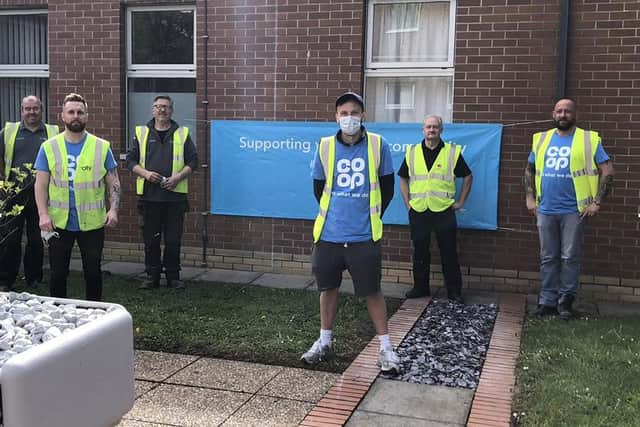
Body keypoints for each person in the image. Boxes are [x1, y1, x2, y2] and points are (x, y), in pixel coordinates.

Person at [301, 92, 400, 373]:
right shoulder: (325, 146)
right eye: (343, 113)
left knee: (372, 291)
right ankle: (324, 342)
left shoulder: (379, 145)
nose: (349, 118)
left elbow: (387, 189)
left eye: (354, 112)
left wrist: (367, 218)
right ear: (336, 117)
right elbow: (319, 189)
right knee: (327, 289)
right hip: (329, 235)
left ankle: (386, 349)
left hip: (363, 236)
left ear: (363, 116)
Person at [525, 97, 614, 320]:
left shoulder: (588, 139)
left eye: (567, 111)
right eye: (559, 111)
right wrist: (530, 198)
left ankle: (565, 301)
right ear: (553, 114)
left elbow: (608, 171)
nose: (563, 115)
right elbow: (529, 170)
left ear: (575, 115)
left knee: (569, 257)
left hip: (575, 210)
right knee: (548, 257)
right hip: (545, 208)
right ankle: (547, 301)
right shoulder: (541, 139)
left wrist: (597, 202)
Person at [34, 93, 120, 301]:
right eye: (71, 112)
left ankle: (94, 314)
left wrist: (114, 209)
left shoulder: (101, 147)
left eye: (80, 112)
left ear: (87, 116)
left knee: (93, 272)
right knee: (57, 273)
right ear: (62, 116)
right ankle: (57, 313)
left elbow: (114, 182)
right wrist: (43, 214)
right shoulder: (49, 147)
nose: (76, 116)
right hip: (58, 223)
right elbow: (41, 184)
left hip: (92, 224)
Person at [398, 115, 473, 303]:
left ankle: (454, 291)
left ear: (441, 130)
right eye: (428, 127)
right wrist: (408, 204)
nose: (431, 130)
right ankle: (420, 287)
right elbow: (403, 179)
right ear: (422, 130)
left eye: (435, 127)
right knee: (420, 250)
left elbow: (468, 176)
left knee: (449, 252)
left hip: (444, 211)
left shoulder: (452, 152)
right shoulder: (412, 152)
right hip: (419, 210)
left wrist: (460, 202)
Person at [126, 95, 198, 289]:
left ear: (172, 110)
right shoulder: (142, 133)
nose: (162, 110)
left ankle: (173, 277)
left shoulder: (182, 133)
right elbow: (130, 161)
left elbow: (193, 161)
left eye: (166, 107)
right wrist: (146, 174)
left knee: (173, 239)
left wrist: (177, 178)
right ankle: (152, 276)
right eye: (158, 107)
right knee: (151, 240)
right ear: (152, 110)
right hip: (150, 197)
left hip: (174, 197)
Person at [0, 95, 59, 291]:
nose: (31, 112)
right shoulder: (9, 132)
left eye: (35, 108)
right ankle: (6, 279)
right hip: (14, 194)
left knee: (36, 240)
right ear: (21, 110)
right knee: (11, 239)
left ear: (41, 110)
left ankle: (34, 277)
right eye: (28, 109)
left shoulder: (52, 132)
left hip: (41, 194)